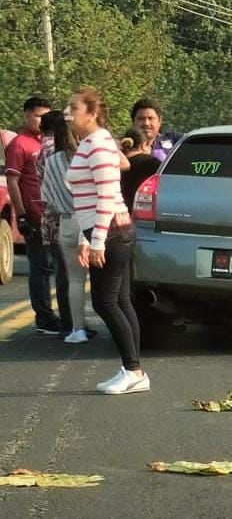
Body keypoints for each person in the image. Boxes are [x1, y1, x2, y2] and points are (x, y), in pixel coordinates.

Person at [66, 87, 150, 394]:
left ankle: (133, 370)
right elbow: (86, 199)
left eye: (73, 108)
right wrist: (85, 238)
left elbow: (105, 195)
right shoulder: (94, 142)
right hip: (109, 229)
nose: (68, 113)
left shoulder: (98, 143)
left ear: (91, 113)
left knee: (106, 302)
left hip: (111, 231)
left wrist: (97, 240)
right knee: (121, 301)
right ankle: (134, 370)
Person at [6, 96, 70, 335]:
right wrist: (21, 215)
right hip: (34, 215)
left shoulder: (50, 142)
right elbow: (13, 181)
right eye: (37, 116)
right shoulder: (20, 144)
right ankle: (44, 318)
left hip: (53, 215)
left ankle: (63, 315)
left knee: (59, 267)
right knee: (41, 267)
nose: (41, 121)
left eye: (46, 116)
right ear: (26, 115)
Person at [41, 110, 96, 344]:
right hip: (88, 218)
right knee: (102, 279)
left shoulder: (51, 160)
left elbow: (47, 197)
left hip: (65, 221)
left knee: (74, 280)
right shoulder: (86, 157)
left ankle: (77, 329)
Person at [119, 127, 161, 212]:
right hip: (142, 213)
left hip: (116, 213)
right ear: (143, 144)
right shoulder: (152, 163)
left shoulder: (114, 162)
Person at [129, 98, 182, 163]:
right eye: (141, 119)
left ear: (159, 121)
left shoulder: (174, 140)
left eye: (151, 118)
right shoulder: (125, 146)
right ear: (133, 121)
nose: (146, 123)